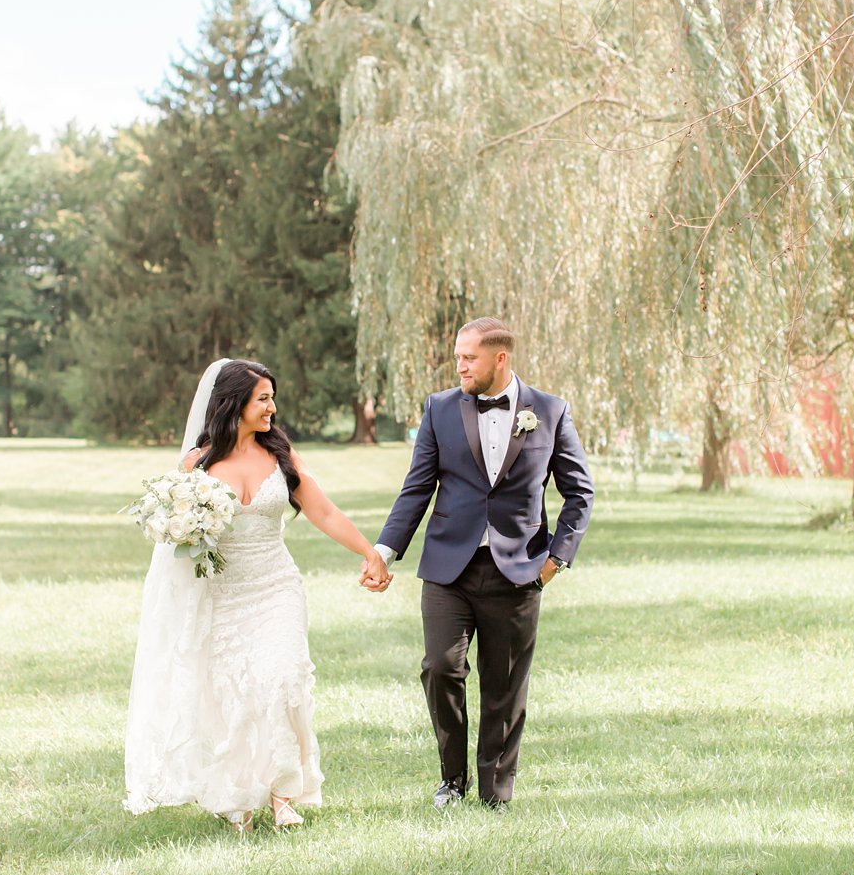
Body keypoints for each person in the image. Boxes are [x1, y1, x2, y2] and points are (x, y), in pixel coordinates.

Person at [123, 359, 391, 832]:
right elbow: (173, 540)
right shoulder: (195, 465)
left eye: (271, 397)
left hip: (276, 587)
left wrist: (370, 553)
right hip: (223, 594)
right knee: (234, 694)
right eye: (262, 398)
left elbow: (322, 510)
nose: (272, 407)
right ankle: (239, 796)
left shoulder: (281, 453)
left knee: (282, 678)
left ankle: (283, 794)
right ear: (234, 405)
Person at [370, 318, 594, 811]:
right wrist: (384, 551)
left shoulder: (551, 412)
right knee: (440, 667)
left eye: (469, 357)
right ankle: (452, 781)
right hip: (449, 566)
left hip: (520, 569)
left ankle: (496, 792)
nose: (460, 366)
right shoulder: (441, 408)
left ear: (500, 358)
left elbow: (579, 491)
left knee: (505, 685)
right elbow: (417, 488)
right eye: (457, 357)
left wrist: (557, 558)